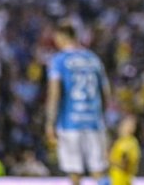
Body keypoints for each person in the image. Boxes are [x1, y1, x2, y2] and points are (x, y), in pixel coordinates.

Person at [45, 21, 111, 185]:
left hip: (70, 123)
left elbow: (54, 93)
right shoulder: (93, 59)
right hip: (94, 122)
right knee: (99, 170)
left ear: (61, 37)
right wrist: (102, 117)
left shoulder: (59, 60)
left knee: (75, 172)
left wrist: (50, 122)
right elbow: (106, 93)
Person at [109, 115, 141, 185]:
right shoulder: (119, 141)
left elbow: (127, 162)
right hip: (115, 178)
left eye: (131, 125)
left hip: (124, 178)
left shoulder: (131, 142)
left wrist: (114, 162)